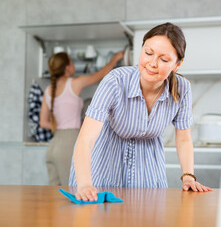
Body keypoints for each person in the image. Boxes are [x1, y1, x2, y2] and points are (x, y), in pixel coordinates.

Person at [68, 22, 212, 202]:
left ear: (177, 64)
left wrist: (188, 176)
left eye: (164, 59)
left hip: (148, 167)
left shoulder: (182, 89)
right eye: (148, 53)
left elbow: (183, 138)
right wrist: (84, 184)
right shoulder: (115, 81)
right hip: (104, 161)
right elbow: (86, 139)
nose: (152, 63)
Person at [40, 50, 124, 185]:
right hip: (69, 143)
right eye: (72, 62)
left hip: (53, 145)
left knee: (54, 195)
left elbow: (43, 122)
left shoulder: (48, 90)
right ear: (67, 68)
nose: (73, 65)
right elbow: (100, 75)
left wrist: (61, 126)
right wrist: (115, 59)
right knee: (73, 189)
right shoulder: (75, 82)